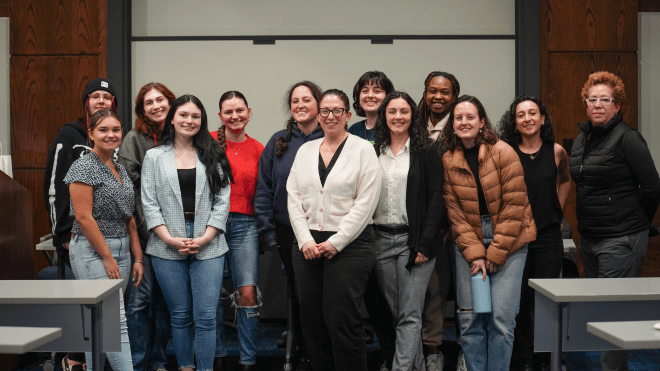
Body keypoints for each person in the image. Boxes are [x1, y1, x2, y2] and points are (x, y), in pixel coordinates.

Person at [569, 71, 660, 371]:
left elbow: (652, 187)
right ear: (586, 104)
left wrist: (637, 227)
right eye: (591, 99)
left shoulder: (628, 138)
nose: (597, 105)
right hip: (590, 238)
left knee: (613, 313)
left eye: (604, 100)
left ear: (617, 106)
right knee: (599, 310)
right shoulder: (583, 140)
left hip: (621, 239)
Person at [286, 89, 382, 371]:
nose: (330, 116)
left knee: (343, 319)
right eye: (325, 111)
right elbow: (293, 197)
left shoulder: (363, 149)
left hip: (351, 244)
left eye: (336, 111)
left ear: (347, 115)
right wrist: (304, 239)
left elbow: (366, 202)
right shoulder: (305, 151)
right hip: (307, 245)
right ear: (318, 115)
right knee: (312, 321)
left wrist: (337, 241)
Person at [441, 95, 536, 371]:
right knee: (470, 319)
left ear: (482, 122)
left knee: (501, 321)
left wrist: (494, 253)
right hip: (467, 244)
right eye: (458, 118)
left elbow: (515, 206)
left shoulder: (503, 151)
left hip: (511, 241)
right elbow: (454, 213)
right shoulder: (448, 160)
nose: (464, 122)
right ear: (453, 124)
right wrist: (476, 255)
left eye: (470, 117)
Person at [141, 94, 232, 371]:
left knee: (205, 317)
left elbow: (223, 200)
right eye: (183, 115)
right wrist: (168, 238)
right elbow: (149, 202)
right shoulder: (155, 156)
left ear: (202, 121)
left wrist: (206, 237)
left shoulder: (213, 152)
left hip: (210, 241)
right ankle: (185, 367)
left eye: (195, 116)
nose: (189, 121)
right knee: (179, 316)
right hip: (166, 243)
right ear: (172, 119)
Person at [44, 77, 118, 370]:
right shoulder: (69, 135)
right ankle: (75, 359)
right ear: (86, 102)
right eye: (95, 96)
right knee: (85, 301)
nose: (101, 100)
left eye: (107, 97)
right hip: (76, 237)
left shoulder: (112, 137)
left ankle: (97, 359)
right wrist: (61, 233)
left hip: (110, 238)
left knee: (106, 302)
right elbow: (54, 189)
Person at [65, 109, 144, 371]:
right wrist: (108, 257)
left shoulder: (119, 167)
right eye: (103, 130)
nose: (111, 135)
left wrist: (138, 257)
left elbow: (129, 217)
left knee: (98, 323)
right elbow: (84, 217)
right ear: (90, 134)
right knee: (113, 321)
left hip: (122, 248)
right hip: (93, 251)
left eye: (116, 129)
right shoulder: (83, 165)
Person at [372, 91, 445, 371]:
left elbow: (436, 200)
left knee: (410, 314)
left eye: (404, 111)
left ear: (412, 115)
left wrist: (425, 245)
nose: (398, 117)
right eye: (392, 111)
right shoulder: (373, 151)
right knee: (398, 313)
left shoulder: (425, 151)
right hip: (380, 240)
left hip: (413, 242)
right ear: (384, 116)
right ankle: (416, 367)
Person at [254, 81, 324, 370]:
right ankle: (303, 348)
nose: (300, 105)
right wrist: (268, 231)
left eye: (306, 100)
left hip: (325, 230)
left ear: (319, 104)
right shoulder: (277, 142)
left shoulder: (331, 139)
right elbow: (264, 189)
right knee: (299, 291)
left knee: (324, 290)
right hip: (286, 230)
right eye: (295, 101)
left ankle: (324, 346)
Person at [499, 95, 570, 371]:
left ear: (542, 119)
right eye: (521, 115)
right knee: (519, 300)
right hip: (515, 237)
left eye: (532, 113)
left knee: (545, 299)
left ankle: (545, 355)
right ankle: (523, 356)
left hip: (548, 236)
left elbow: (565, 181)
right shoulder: (506, 151)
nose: (527, 118)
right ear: (514, 122)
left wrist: (557, 211)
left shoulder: (557, 151)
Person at [118, 82, 176, 371]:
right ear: (142, 110)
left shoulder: (183, 133)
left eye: (160, 100)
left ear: (170, 101)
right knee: (140, 303)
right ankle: (136, 364)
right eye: (148, 103)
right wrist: (142, 230)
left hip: (175, 237)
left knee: (165, 304)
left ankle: (158, 361)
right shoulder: (133, 139)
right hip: (144, 235)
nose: (156, 106)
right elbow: (127, 190)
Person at [210, 91, 264, 371]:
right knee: (214, 294)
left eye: (240, 110)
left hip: (245, 225)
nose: (235, 116)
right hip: (211, 226)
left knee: (247, 294)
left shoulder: (258, 148)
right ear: (220, 116)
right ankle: (217, 357)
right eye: (228, 112)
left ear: (249, 112)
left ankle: (248, 362)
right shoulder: (206, 142)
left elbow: (264, 193)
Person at [418, 71, 461, 371]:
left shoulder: (462, 127)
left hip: (457, 226)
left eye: (444, 92)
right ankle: (432, 349)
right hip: (423, 226)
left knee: (465, 292)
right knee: (431, 291)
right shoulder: (413, 126)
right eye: (432, 91)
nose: (438, 97)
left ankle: (466, 350)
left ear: (454, 96)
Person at [348, 71, 395, 144]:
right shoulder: (354, 130)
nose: (370, 95)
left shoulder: (393, 128)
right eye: (365, 91)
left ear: (388, 96)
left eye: (377, 91)